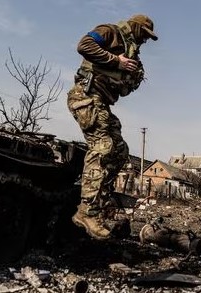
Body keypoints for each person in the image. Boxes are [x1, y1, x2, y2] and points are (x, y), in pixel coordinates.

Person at [67, 14, 158, 240]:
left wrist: (132, 75)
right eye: (144, 35)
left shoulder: (132, 52)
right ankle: (87, 211)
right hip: (85, 96)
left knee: (119, 152)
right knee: (103, 146)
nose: (145, 41)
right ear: (136, 28)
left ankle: (101, 201)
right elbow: (83, 45)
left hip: (102, 103)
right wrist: (118, 62)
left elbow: (124, 87)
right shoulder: (110, 32)